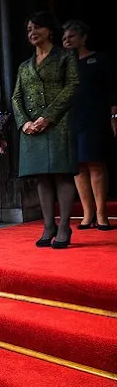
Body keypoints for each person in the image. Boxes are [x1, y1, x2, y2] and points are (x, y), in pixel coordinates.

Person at [12, 11, 80, 249]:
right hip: (31, 129)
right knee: (42, 176)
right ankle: (48, 225)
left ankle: (63, 227)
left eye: (37, 27)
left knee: (62, 174)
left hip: (58, 123)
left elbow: (72, 85)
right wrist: (24, 122)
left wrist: (47, 117)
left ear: (50, 30)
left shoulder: (65, 56)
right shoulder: (24, 66)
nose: (32, 32)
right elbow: (16, 97)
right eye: (29, 29)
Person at [62, 20, 117, 231]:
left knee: (95, 163)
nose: (67, 41)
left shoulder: (99, 59)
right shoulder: (63, 66)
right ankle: (87, 214)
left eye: (71, 37)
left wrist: (114, 115)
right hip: (71, 120)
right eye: (64, 38)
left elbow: (112, 89)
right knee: (77, 166)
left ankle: (102, 215)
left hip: (95, 118)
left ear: (83, 38)